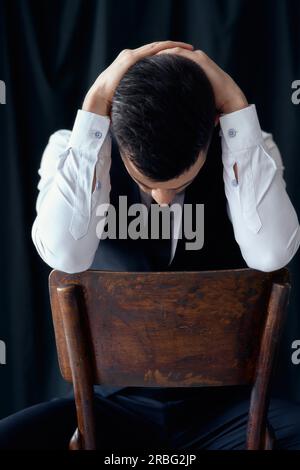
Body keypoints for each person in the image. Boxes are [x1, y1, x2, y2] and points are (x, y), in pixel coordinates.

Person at [1, 41, 299, 450]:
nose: (160, 200)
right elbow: (64, 254)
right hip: (108, 405)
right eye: (145, 183)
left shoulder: (250, 149)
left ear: (213, 127)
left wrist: (235, 106)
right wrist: (95, 110)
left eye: (178, 184)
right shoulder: (70, 152)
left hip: (226, 410)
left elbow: (271, 253)